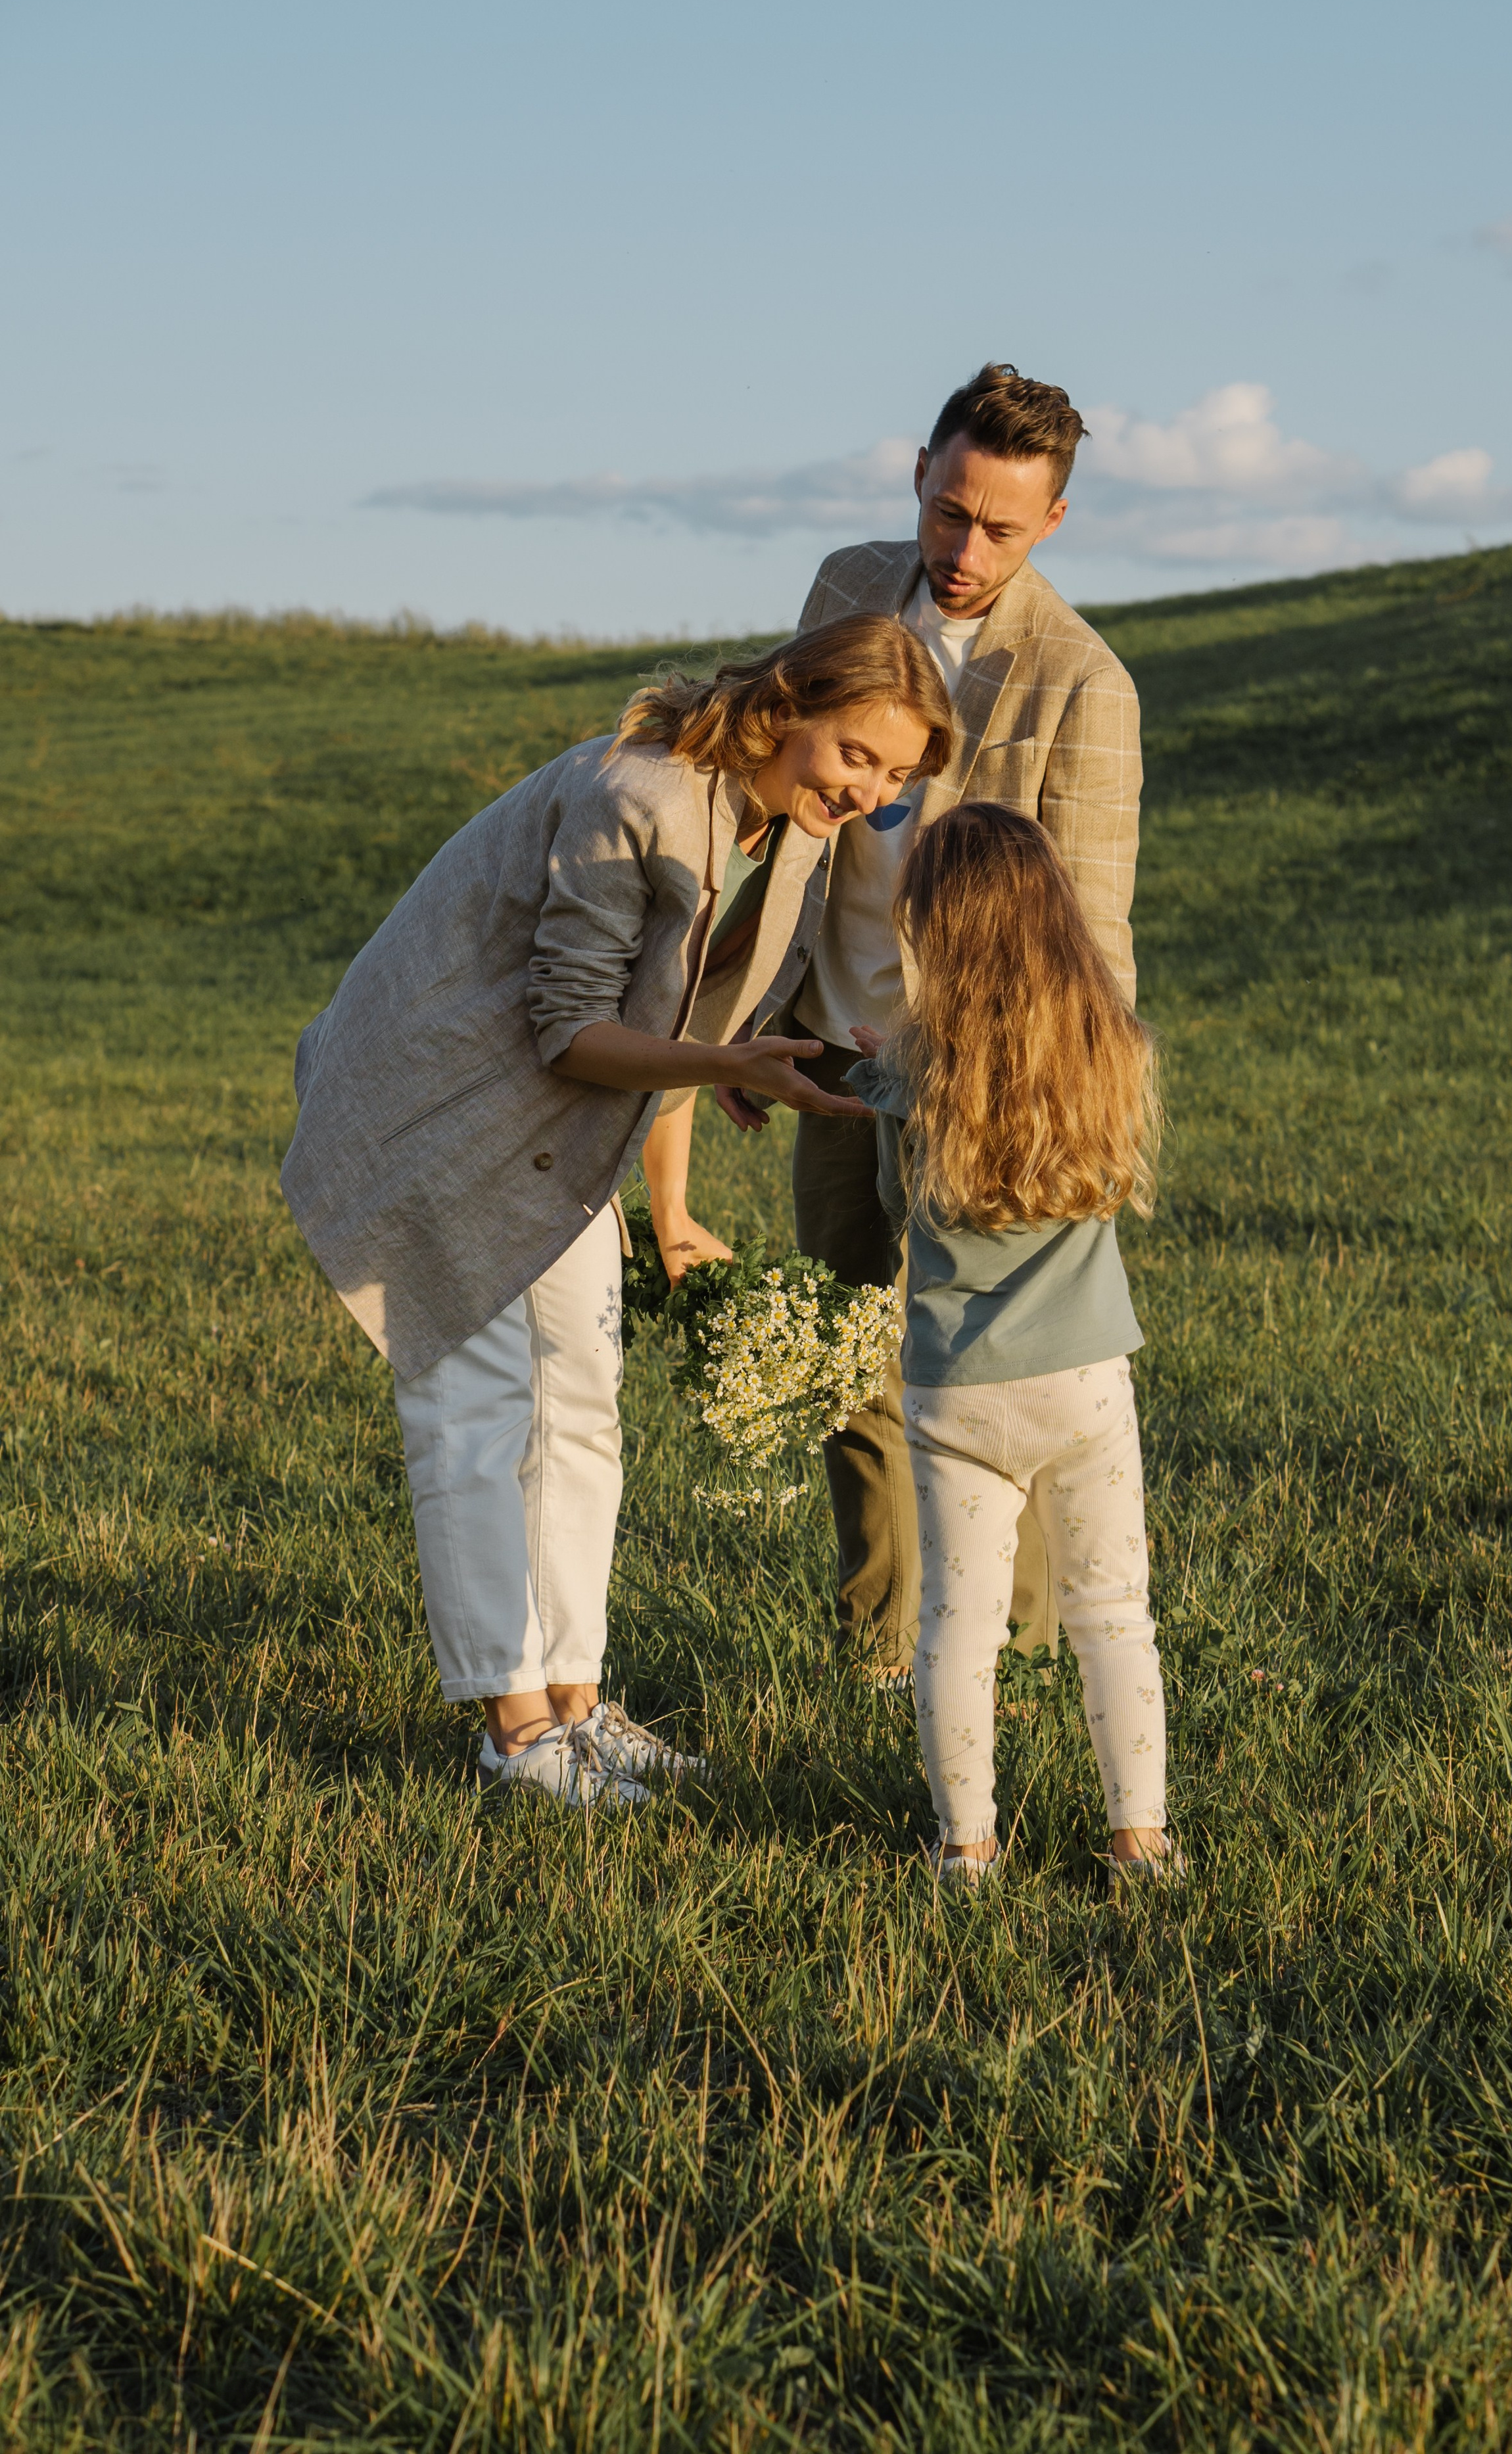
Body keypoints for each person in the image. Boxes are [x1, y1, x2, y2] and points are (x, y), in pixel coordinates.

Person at [281, 617, 952, 1806]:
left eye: (896, 776)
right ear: (789, 705)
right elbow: (576, 1030)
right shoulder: (631, 793)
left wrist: (676, 1206)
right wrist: (738, 1072)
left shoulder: (786, 831)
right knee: (478, 1409)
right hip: (446, 1104)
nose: (870, 790)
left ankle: (579, 1710)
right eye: (857, 753)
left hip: (565, 1124)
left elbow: (682, 1022)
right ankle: (514, 1733)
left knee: (583, 1401)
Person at [780, 362, 1144, 1680]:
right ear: (918, 476)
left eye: (998, 525)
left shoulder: (1080, 686)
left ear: (1051, 522)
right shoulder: (837, 591)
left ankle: (1017, 1657)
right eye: (948, 511)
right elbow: (781, 811)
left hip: (974, 1095)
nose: (962, 548)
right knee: (842, 1356)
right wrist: (740, 1022)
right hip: (824, 1044)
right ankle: (880, 1653)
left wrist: (1064, 1122)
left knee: (994, 1387)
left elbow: (1090, 943)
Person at [845, 802, 1177, 1887]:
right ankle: (1139, 1841)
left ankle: (965, 1850)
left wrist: (881, 1080)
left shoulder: (912, 1066)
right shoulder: (1108, 1042)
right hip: (1084, 1383)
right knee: (1113, 1615)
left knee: (955, 1631)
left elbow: (899, 1203)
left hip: (953, 1394)